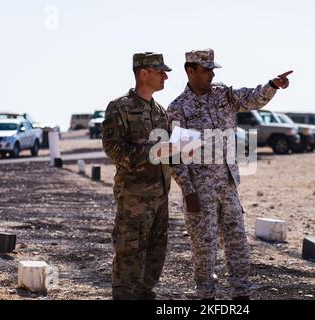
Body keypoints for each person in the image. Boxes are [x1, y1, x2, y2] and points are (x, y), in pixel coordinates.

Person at [167, 48, 292, 300]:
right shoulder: (178, 109)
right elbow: (175, 156)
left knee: (237, 245)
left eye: (213, 69)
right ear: (190, 71)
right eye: (206, 70)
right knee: (204, 249)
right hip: (199, 193)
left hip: (228, 186)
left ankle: (241, 296)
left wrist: (272, 85)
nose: (212, 74)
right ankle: (206, 298)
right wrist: (187, 190)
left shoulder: (223, 94)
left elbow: (252, 98)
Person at [102, 52, 173, 300]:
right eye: (160, 71)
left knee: (156, 253)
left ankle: (144, 295)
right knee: (129, 252)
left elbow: (167, 153)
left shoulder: (161, 112)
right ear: (144, 73)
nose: (165, 76)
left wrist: (181, 151)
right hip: (134, 197)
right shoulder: (120, 108)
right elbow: (114, 149)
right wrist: (153, 151)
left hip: (161, 195)